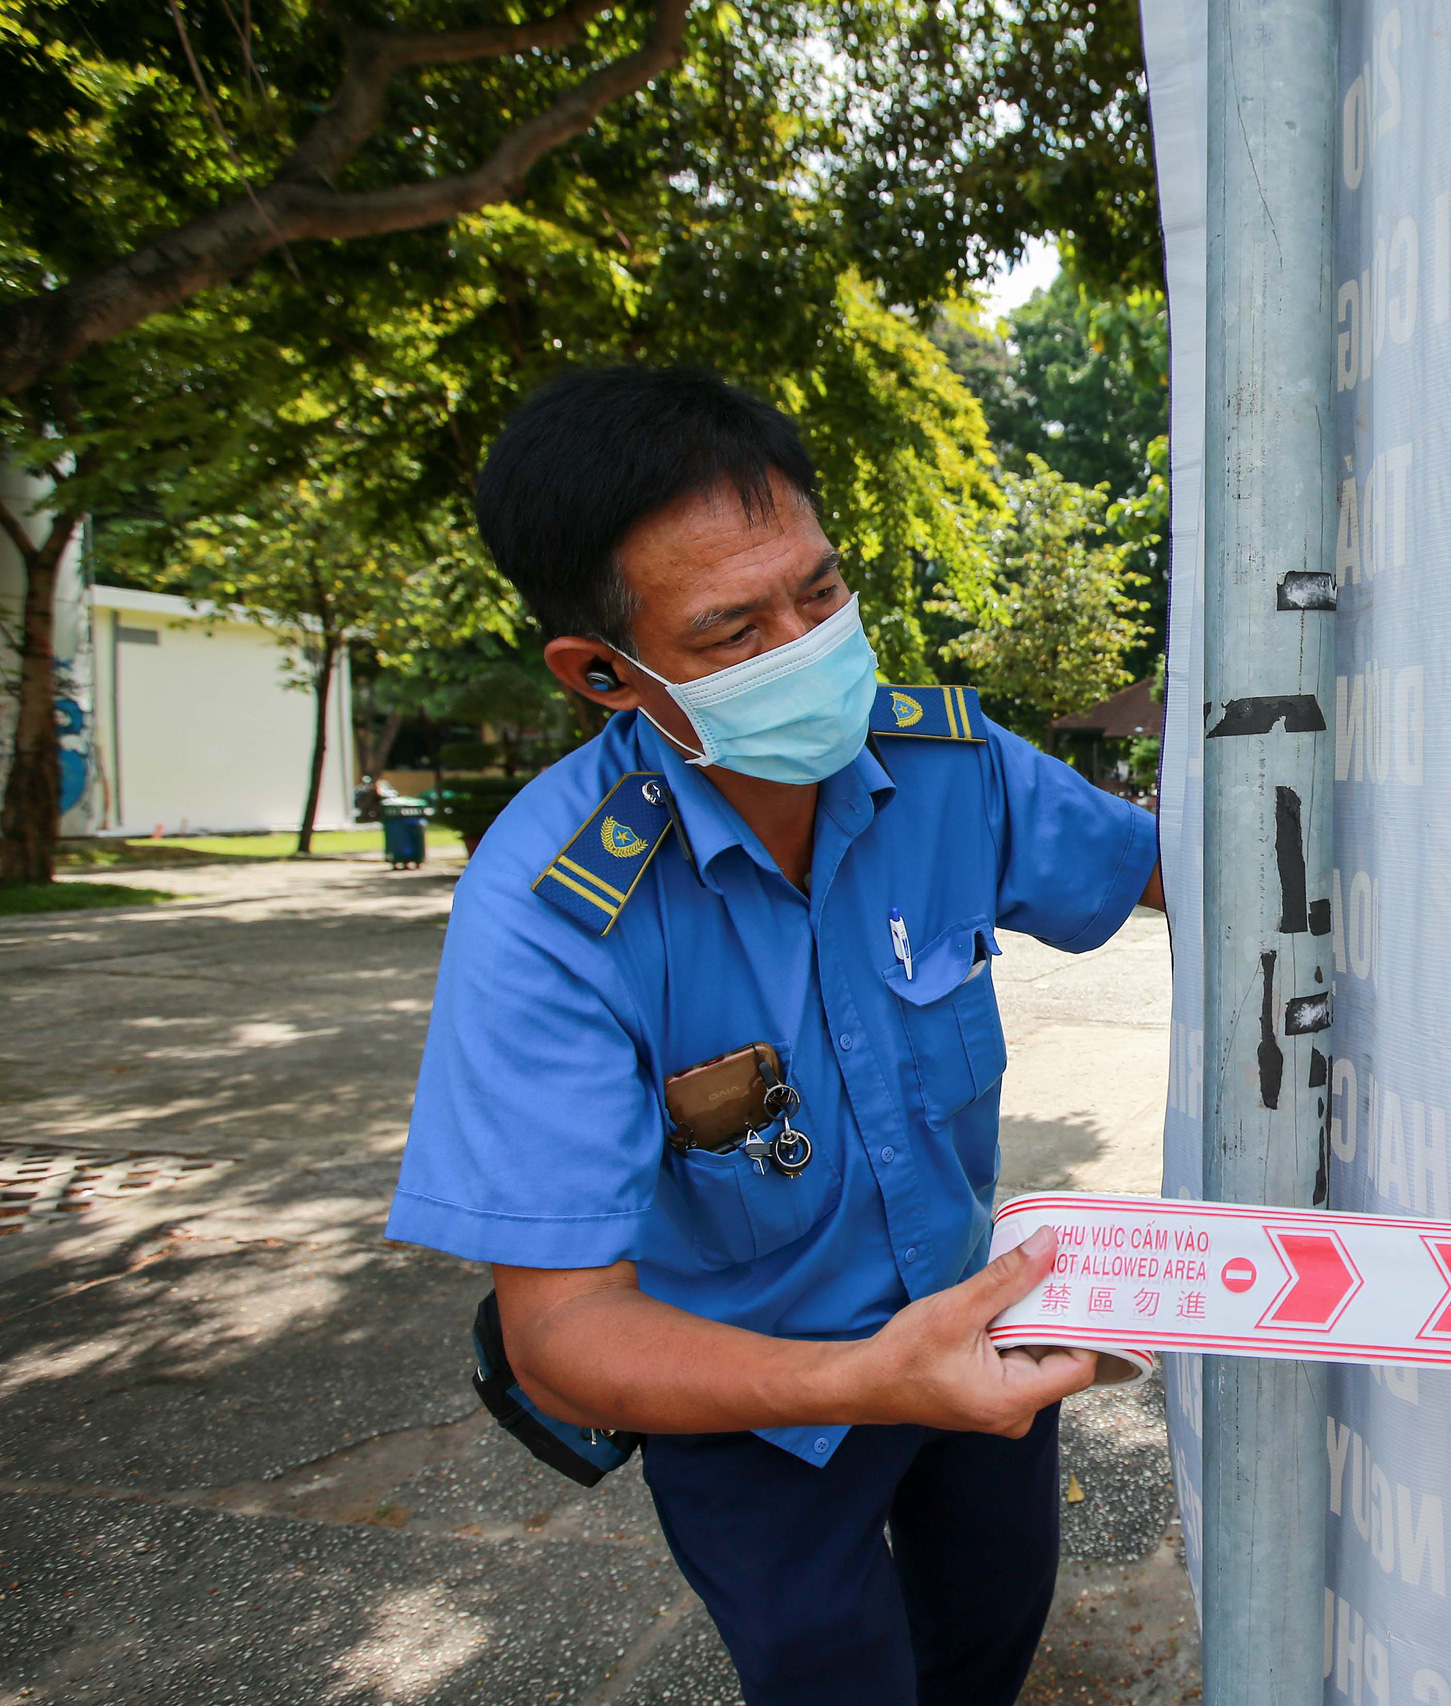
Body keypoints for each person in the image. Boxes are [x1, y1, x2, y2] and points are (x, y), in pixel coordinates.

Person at [385, 367, 1163, 1706]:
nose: (807, 649)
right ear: (603, 673)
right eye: (734, 630)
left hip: (974, 1332)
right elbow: (560, 1328)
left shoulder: (946, 766)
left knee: (991, 1628)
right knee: (832, 1673)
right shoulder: (554, 906)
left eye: (819, 591)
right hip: (750, 1403)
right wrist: (861, 1376)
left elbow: (1195, 878)